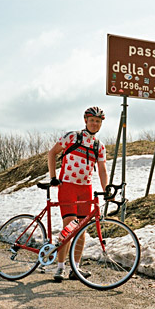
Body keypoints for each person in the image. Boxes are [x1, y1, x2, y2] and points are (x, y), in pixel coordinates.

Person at [47, 106, 108, 281]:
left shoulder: (99, 146)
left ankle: (76, 268)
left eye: (98, 121)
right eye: (92, 120)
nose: (95, 124)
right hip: (68, 186)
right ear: (85, 121)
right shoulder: (72, 137)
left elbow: (102, 170)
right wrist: (53, 177)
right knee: (69, 227)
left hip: (85, 189)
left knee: (81, 230)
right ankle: (59, 267)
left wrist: (106, 190)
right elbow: (52, 153)